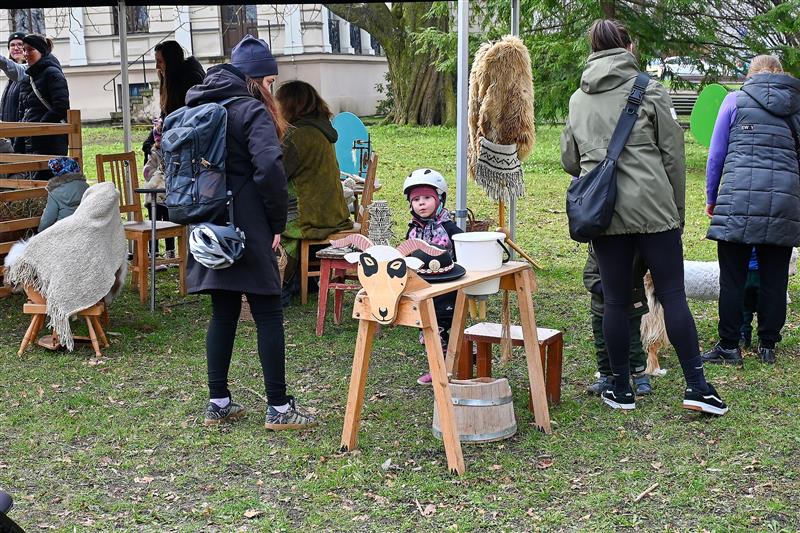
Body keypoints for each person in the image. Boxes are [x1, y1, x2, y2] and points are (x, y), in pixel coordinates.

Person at [560, 19, 727, 415]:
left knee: (616, 302)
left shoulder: (577, 100)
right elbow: (673, 156)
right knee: (672, 295)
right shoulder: (649, 89)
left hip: (606, 215)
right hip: (655, 210)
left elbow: (570, 158)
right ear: (629, 46)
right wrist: (677, 213)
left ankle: (621, 388)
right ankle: (698, 387)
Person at [184, 34, 316, 429]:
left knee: (222, 312)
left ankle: (218, 402)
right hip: (248, 223)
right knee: (269, 312)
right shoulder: (251, 110)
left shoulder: (200, 104)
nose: (273, 89)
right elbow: (270, 168)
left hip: (208, 222)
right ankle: (278, 408)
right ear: (257, 79)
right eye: (271, 82)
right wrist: (276, 223)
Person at [702, 55, 800, 366]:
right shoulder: (796, 106)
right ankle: (768, 343)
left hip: (737, 200)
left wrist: (711, 196)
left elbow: (717, 154)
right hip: (785, 202)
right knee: (775, 278)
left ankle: (730, 344)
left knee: (732, 277)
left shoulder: (735, 100)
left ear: (750, 75)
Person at [274, 80, 353, 293]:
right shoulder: (321, 129)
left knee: (269, 222)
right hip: (334, 212)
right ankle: (302, 278)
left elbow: (276, 175)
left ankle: (285, 281)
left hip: (312, 216)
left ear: (289, 105)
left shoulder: (299, 135)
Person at [142, 41, 206, 257]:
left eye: (160, 62)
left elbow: (184, 117)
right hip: (170, 144)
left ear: (171, 60)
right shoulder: (172, 80)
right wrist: (154, 137)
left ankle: (171, 246)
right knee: (155, 192)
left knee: (167, 194)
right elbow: (168, 115)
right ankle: (163, 247)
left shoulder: (187, 80)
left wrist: (164, 133)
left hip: (183, 149)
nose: (157, 67)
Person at [402, 168, 463, 385]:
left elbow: (465, 251)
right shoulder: (412, 230)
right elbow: (405, 254)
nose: (421, 203)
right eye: (416, 199)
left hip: (448, 288)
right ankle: (437, 369)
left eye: (427, 198)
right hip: (422, 287)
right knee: (428, 331)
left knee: (448, 329)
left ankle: (453, 368)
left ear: (440, 199)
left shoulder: (449, 228)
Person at [583, 245, 652, 396]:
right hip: (602, 308)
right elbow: (589, 276)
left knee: (633, 343)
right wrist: (605, 289)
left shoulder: (638, 248)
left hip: (632, 306)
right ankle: (606, 376)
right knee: (603, 344)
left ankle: (640, 376)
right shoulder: (598, 249)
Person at [15, 34, 69, 178]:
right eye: (24, 50)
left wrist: (40, 128)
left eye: (30, 50)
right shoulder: (27, 78)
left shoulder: (52, 73)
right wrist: (19, 142)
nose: (25, 54)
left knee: (49, 183)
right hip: (31, 141)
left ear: (41, 51)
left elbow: (61, 106)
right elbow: (24, 112)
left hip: (51, 141)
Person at [38, 157, 89, 232]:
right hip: (83, 227)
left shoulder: (55, 192)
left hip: (63, 230)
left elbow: (49, 217)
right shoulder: (85, 186)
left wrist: (40, 231)